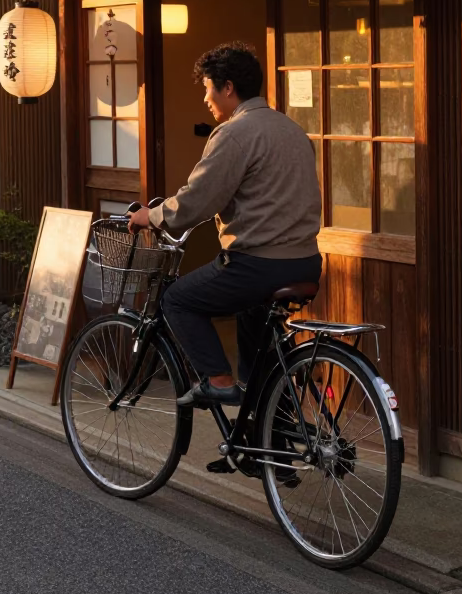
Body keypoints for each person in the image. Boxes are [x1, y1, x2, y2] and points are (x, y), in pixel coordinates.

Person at [128, 42, 322, 408]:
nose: (205, 99)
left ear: (227, 87)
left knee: (177, 299)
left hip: (257, 265)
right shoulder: (293, 130)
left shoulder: (235, 133)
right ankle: (270, 449)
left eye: (207, 89)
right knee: (258, 342)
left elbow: (196, 200)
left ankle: (218, 381)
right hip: (306, 262)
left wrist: (150, 216)